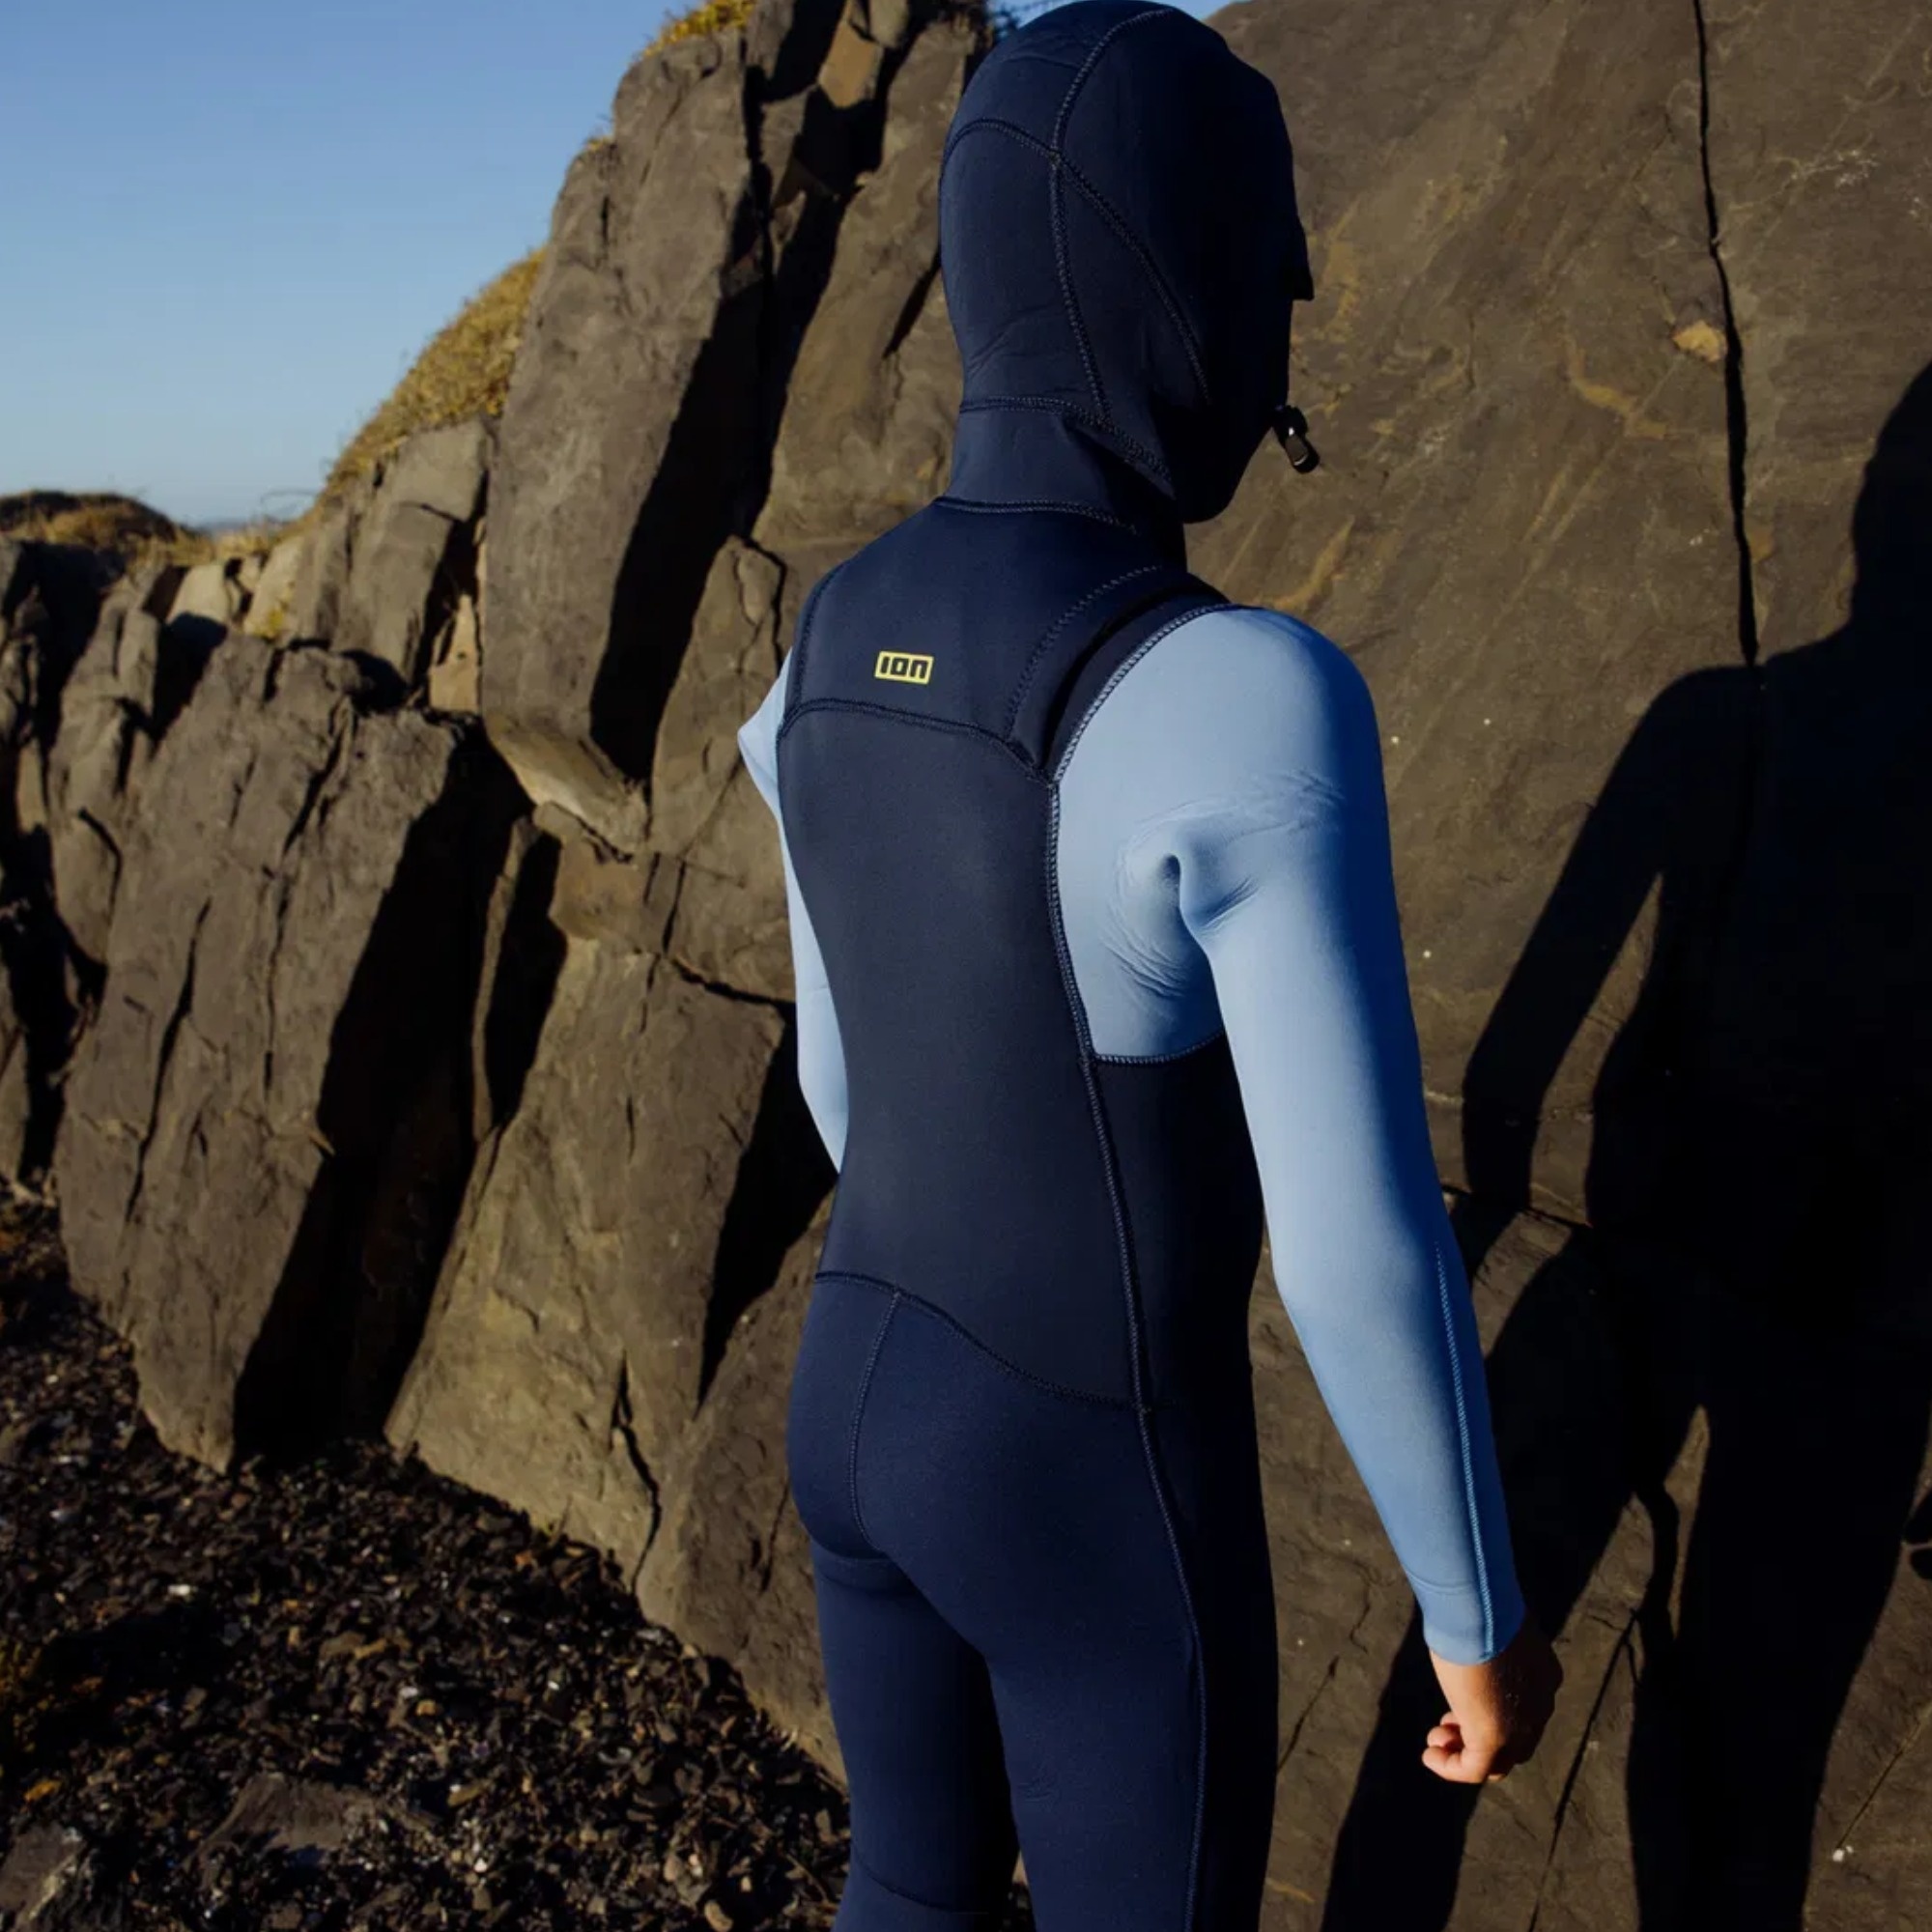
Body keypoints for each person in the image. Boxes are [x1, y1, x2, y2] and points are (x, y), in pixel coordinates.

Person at [736, 3, 1560, 1924]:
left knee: (907, 1890)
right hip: (1083, 1473)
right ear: (1188, 279)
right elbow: (1353, 1248)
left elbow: (844, 1087)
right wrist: (1475, 1616)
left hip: (857, 1393)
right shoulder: (1239, 690)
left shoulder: (828, 635)